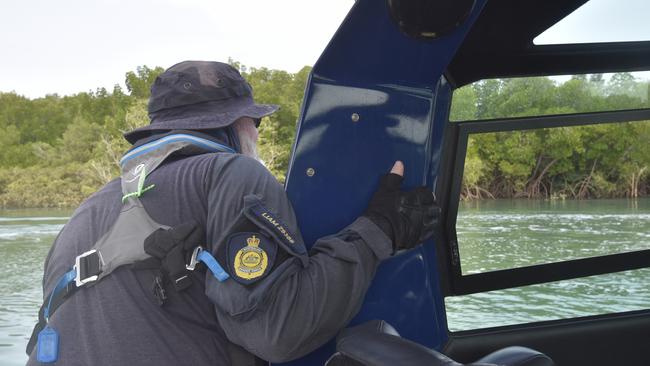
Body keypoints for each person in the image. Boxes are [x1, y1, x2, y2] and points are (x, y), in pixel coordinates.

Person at [26, 61, 437, 365]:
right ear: (237, 125)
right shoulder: (232, 173)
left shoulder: (85, 211)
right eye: (254, 123)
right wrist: (380, 228)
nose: (256, 133)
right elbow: (278, 331)